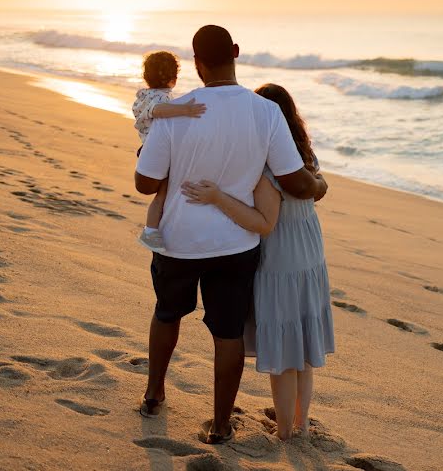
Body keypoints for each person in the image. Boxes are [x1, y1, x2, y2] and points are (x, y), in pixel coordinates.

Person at [134, 25, 328, 445]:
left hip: (178, 240)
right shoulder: (266, 112)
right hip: (236, 244)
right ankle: (221, 425)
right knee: (228, 334)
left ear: (196, 62)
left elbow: (144, 184)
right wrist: (318, 186)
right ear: (236, 52)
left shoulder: (178, 110)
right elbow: (294, 181)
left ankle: (154, 395)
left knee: (167, 313)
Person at [181, 83, 334, 440]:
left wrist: (217, 197)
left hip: (280, 261)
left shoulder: (267, 166)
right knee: (303, 347)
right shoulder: (304, 156)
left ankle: (284, 433)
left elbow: (262, 224)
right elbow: (314, 191)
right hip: (311, 255)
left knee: (283, 354)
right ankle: (301, 424)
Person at [132, 50, 206, 254]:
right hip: (155, 153)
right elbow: (157, 110)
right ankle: (151, 231)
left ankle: (156, 228)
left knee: (166, 193)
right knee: (163, 193)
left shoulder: (145, 95)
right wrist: (185, 110)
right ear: (174, 78)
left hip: (150, 151)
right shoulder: (159, 98)